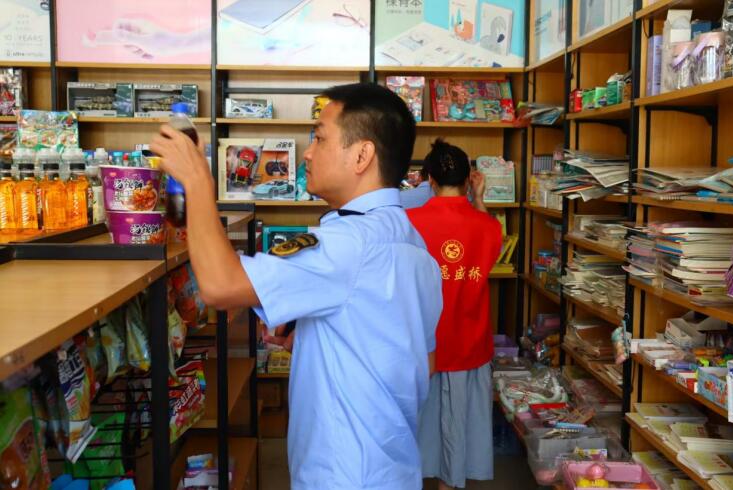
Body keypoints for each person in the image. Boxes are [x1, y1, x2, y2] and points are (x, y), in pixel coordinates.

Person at [150, 82, 443, 490]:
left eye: (320, 138)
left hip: (345, 477)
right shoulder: (414, 246)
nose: (307, 152)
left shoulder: (348, 243)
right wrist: (319, 341)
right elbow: (420, 361)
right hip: (392, 468)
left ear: (362, 156)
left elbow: (219, 285)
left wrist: (198, 180)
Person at [407, 139, 503, 490]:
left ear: (429, 179)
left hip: (421, 348)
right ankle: (450, 483)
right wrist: (478, 199)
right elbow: (489, 246)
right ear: (468, 180)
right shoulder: (487, 226)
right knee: (457, 428)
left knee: (415, 429)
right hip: (468, 345)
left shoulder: (407, 223)